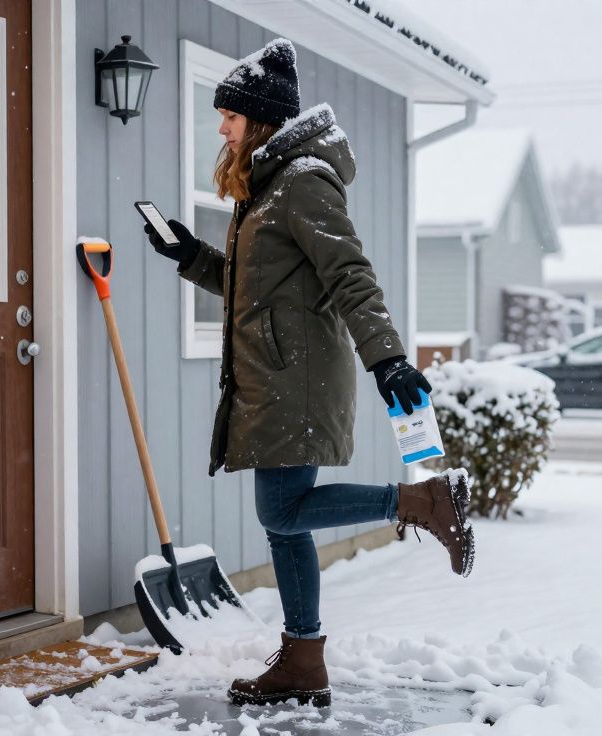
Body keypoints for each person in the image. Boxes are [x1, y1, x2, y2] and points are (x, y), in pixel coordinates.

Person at [144, 38, 474, 708]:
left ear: (258, 120)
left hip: (295, 379)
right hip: (273, 375)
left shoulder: (302, 184)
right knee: (283, 522)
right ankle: (302, 660)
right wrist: (190, 254)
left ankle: (421, 502)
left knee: (282, 509)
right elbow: (252, 286)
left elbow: (349, 273)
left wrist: (384, 354)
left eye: (229, 116)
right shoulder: (264, 189)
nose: (221, 127)